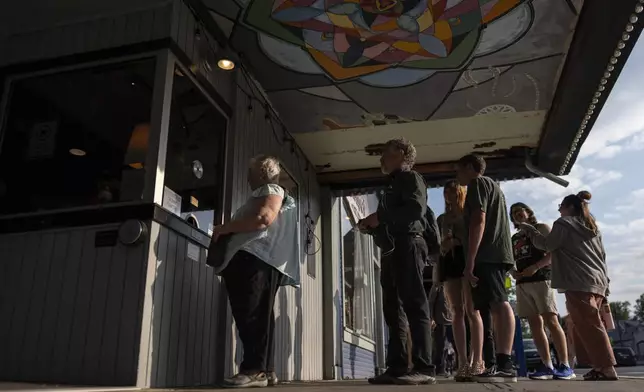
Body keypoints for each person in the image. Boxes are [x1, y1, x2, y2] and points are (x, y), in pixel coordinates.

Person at [211, 155, 300, 388]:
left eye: (250, 172)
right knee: (261, 316)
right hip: (262, 261)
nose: (247, 177)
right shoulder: (279, 194)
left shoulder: (271, 189)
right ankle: (265, 370)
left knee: (250, 314)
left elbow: (263, 218)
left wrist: (224, 228)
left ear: (261, 174)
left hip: (253, 259)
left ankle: (253, 370)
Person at [516, 191, 616, 381]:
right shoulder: (592, 227)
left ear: (569, 207)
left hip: (578, 280)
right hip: (597, 281)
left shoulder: (563, 224)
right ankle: (600, 367)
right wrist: (607, 284)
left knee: (590, 325)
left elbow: (547, 245)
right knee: (586, 324)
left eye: (560, 207)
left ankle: (606, 368)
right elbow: (602, 256)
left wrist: (530, 230)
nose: (559, 210)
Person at [360, 138, 436, 385]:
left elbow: (415, 210)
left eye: (386, 153)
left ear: (402, 154)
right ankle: (397, 367)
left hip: (409, 245)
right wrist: (370, 227)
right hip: (392, 250)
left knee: (415, 304)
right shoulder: (390, 186)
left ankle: (425, 368)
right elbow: (388, 221)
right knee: (393, 309)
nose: (381, 158)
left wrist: (379, 216)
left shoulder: (411, 178)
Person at [455, 154, 517, 383]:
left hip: (489, 254)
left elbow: (478, 220)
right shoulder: (495, 188)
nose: (457, 175)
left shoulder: (478, 183)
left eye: (459, 170)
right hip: (493, 254)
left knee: (500, 303)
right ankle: (495, 364)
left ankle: (505, 364)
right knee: (489, 307)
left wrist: (470, 259)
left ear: (471, 168)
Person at [509, 202, 575, 380]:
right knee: (534, 325)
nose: (516, 214)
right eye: (513, 213)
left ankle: (565, 365)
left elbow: (553, 252)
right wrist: (513, 272)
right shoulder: (514, 238)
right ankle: (547, 365)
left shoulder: (541, 228)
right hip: (523, 283)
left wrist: (536, 267)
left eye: (519, 211)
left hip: (542, 279)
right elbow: (510, 259)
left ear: (528, 212)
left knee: (551, 321)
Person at [436, 180, 485, 381]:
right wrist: (444, 244)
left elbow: (475, 237)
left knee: (472, 311)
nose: (449, 194)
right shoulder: (442, 218)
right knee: (456, 310)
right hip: (450, 263)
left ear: (461, 192)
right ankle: (462, 361)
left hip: (467, 260)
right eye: (446, 191)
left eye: (453, 190)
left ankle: (478, 360)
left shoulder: (468, 214)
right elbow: (440, 244)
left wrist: (458, 241)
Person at [426, 262, 454, 377]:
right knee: (440, 346)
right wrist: (431, 318)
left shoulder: (453, 286)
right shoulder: (437, 287)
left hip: (452, 322)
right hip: (440, 321)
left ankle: (459, 365)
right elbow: (431, 302)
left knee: (454, 346)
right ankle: (439, 368)